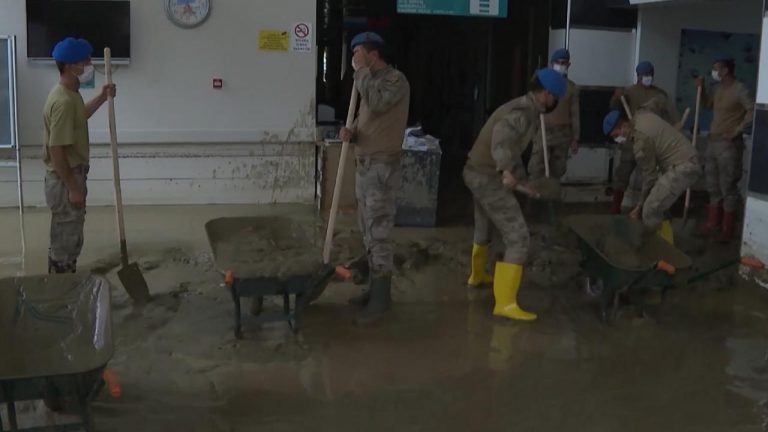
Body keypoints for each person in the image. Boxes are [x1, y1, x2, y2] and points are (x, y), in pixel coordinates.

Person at [463, 68, 566, 322]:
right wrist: (506, 170)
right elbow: (501, 139)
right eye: (555, 97)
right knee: (518, 238)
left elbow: (513, 149)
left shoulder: (524, 107)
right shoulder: (522, 112)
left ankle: (477, 276)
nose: (555, 102)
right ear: (546, 94)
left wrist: (523, 181)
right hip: (488, 176)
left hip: (475, 171)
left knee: (484, 226)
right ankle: (505, 304)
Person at [339, 32, 410, 324]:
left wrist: (361, 73)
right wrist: (352, 131)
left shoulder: (395, 80)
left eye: (359, 52)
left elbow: (379, 104)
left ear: (374, 55)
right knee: (367, 228)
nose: (355, 58)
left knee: (379, 231)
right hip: (364, 164)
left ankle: (381, 299)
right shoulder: (366, 82)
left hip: (382, 167)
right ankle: (373, 288)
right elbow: (368, 117)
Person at [43, 37, 115, 274]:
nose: (89, 65)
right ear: (70, 66)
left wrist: (102, 97)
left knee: (68, 235)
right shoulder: (63, 101)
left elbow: (79, 116)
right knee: (65, 242)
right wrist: (73, 188)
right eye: (85, 61)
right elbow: (56, 149)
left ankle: (63, 282)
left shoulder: (71, 94)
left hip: (70, 175)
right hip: (65, 179)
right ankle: (62, 288)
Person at [603, 109, 701, 243]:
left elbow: (649, 177)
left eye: (616, 135)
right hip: (684, 161)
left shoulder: (640, 141)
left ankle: (655, 249)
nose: (617, 140)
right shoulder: (640, 116)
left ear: (623, 125)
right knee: (659, 205)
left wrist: (639, 206)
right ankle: (667, 245)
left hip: (683, 167)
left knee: (650, 209)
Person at [694, 56, 754, 242]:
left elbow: (752, 110)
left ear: (726, 70)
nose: (714, 72)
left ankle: (727, 229)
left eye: (716, 69)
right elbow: (706, 105)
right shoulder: (717, 89)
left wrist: (737, 130)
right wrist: (701, 89)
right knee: (712, 185)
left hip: (729, 144)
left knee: (728, 186)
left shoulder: (739, 89)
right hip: (713, 142)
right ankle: (713, 223)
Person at [609, 61, 680, 214]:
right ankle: (615, 207)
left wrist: (674, 129)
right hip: (631, 140)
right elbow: (614, 111)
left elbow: (668, 116)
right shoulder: (628, 92)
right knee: (622, 174)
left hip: (652, 142)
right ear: (638, 75)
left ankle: (647, 209)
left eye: (649, 74)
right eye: (644, 75)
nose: (647, 77)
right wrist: (616, 97)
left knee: (651, 177)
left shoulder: (660, 95)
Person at [528, 48, 580, 182]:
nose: (560, 65)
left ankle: (552, 193)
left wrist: (575, 137)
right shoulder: (542, 81)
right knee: (536, 167)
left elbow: (575, 113)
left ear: (568, 65)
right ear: (552, 63)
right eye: (558, 62)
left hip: (563, 134)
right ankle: (535, 193)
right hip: (543, 131)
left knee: (558, 170)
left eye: (564, 63)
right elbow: (532, 101)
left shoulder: (571, 87)